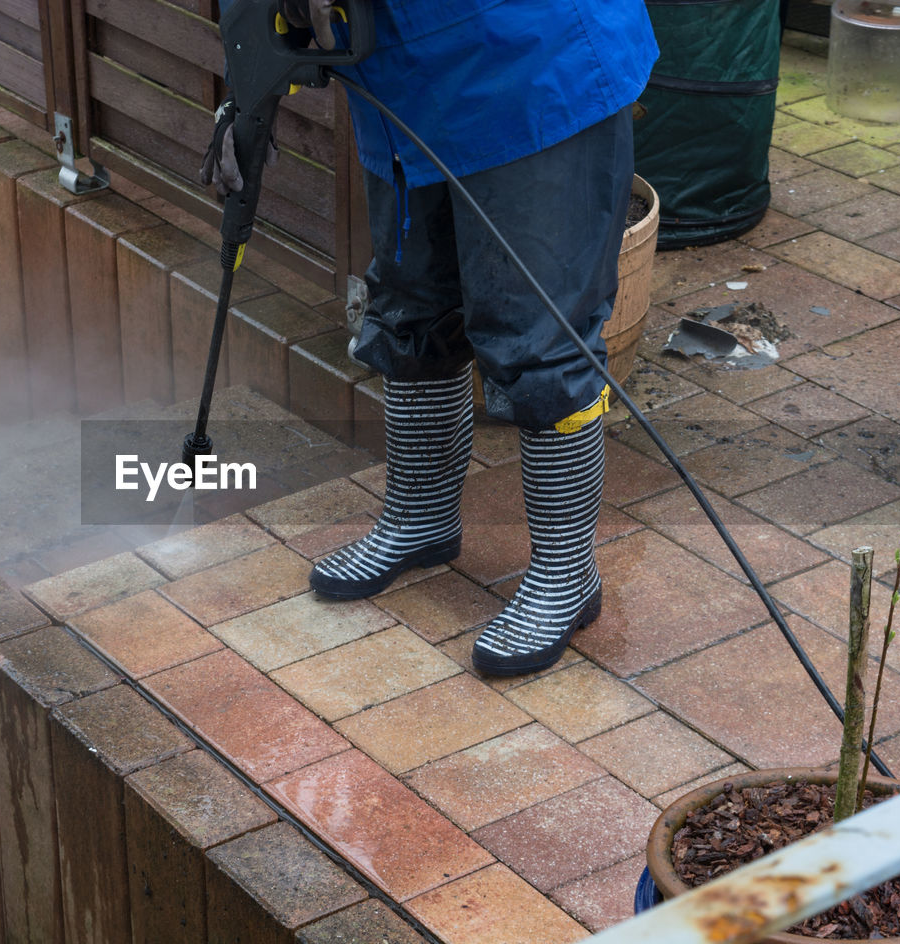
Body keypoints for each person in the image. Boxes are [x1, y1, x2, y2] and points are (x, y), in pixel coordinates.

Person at [203, 0, 658, 676]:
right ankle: (420, 518)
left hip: (530, 61)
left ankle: (566, 573)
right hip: (404, 76)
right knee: (412, 301)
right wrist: (253, 74)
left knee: (542, 341)